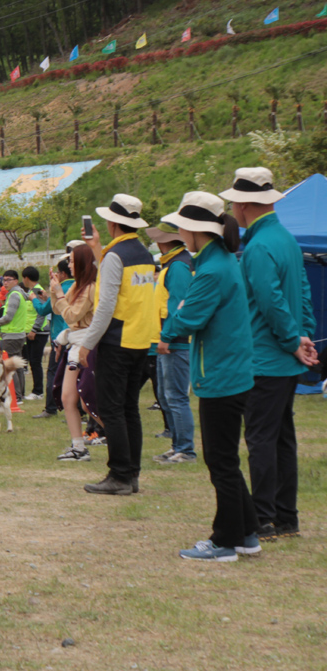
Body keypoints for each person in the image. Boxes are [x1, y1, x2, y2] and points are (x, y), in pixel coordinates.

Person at [158, 192, 259, 561]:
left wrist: (169, 328)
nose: (179, 231)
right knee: (225, 459)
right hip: (228, 370)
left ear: (194, 229)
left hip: (221, 374)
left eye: (181, 225)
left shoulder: (213, 269)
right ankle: (247, 534)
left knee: (220, 461)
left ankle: (225, 541)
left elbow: (187, 318)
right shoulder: (218, 261)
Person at [222, 167, 318, 540]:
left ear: (245, 204)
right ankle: (286, 516)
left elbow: (269, 301)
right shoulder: (286, 240)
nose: (232, 205)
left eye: (233, 200)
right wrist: (303, 334)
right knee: (281, 438)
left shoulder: (259, 246)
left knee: (261, 439)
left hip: (265, 356)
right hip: (285, 356)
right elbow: (302, 293)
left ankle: (263, 517)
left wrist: (294, 339)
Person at [77, 194, 156, 496]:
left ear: (112, 222)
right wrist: (98, 248)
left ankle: (119, 475)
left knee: (111, 410)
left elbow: (106, 304)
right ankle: (131, 473)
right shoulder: (144, 253)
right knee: (129, 409)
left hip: (116, 341)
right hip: (139, 341)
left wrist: (87, 343)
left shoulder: (116, 256)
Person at [145, 221, 196, 464]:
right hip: (167, 339)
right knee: (167, 397)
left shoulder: (177, 266)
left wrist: (167, 337)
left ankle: (185, 449)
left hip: (175, 341)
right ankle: (178, 446)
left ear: (165, 241)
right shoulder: (174, 263)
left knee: (175, 396)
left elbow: (179, 305)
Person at [50, 245, 98, 461]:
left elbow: (71, 315)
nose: (68, 265)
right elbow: (58, 309)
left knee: (89, 400)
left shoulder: (90, 288)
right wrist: (55, 291)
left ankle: (120, 442)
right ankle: (78, 447)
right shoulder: (77, 286)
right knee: (68, 397)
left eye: (70, 261)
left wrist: (59, 294)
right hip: (75, 345)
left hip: (87, 345)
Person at [33, 257, 72, 419]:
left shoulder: (60, 288)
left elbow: (43, 310)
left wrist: (34, 299)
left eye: (58, 272)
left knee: (53, 373)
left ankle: (51, 408)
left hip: (60, 337)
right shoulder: (82, 286)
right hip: (77, 337)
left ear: (63, 273)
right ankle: (77, 409)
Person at [0, 270, 30, 399]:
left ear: (16, 280)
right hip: (17, 334)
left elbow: (8, 317)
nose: (5, 282)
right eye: (4, 280)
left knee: (9, 366)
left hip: (12, 334)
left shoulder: (14, 294)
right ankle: (20, 394)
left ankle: (16, 395)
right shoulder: (17, 293)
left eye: (9, 280)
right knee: (17, 365)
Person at [21, 266, 49, 401]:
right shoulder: (33, 291)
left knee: (35, 361)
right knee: (33, 361)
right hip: (33, 331)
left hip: (39, 332)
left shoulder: (38, 291)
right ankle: (36, 390)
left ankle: (38, 391)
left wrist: (34, 330)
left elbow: (41, 312)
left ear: (26, 278)